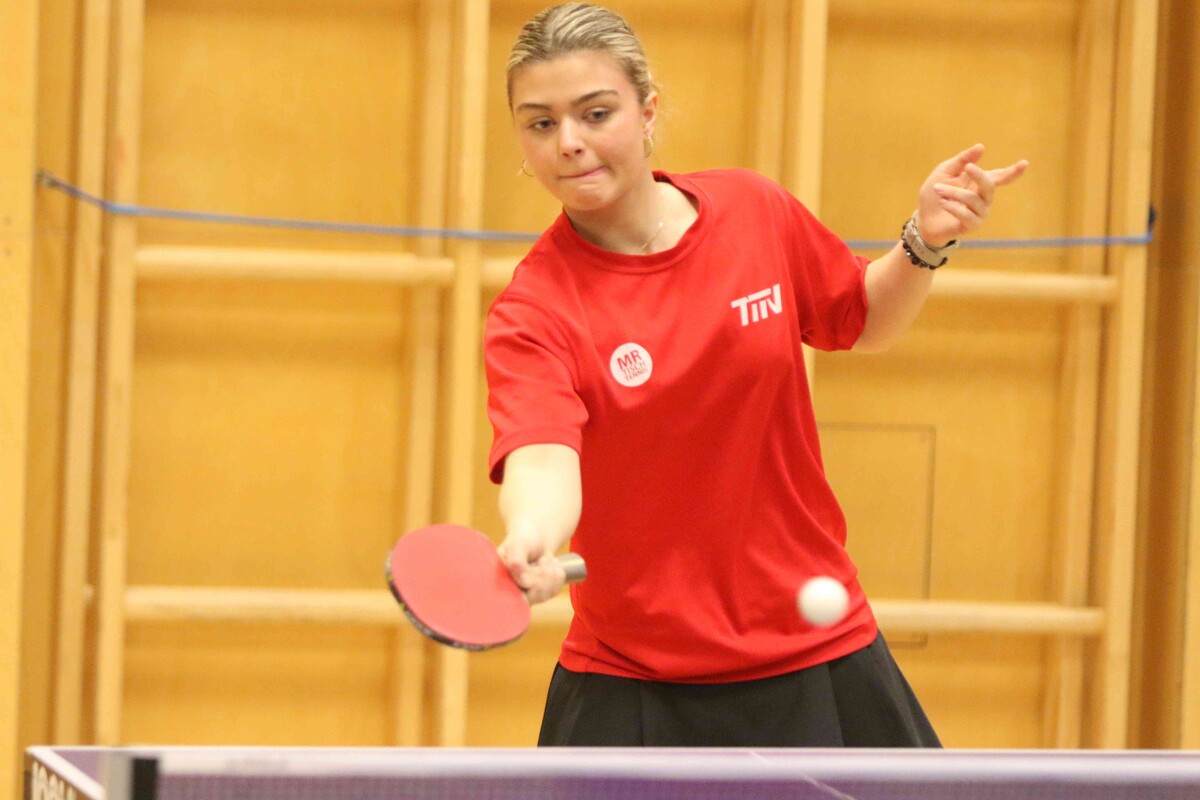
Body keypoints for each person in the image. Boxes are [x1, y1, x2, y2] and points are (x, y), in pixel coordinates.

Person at [483, 2, 1027, 747]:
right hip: (634, 677)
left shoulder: (753, 211)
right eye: (541, 123)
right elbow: (543, 455)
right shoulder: (534, 308)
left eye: (595, 113)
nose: (568, 142)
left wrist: (925, 240)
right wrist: (532, 536)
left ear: (648, 112)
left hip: (818, 649)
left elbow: (862, 318)